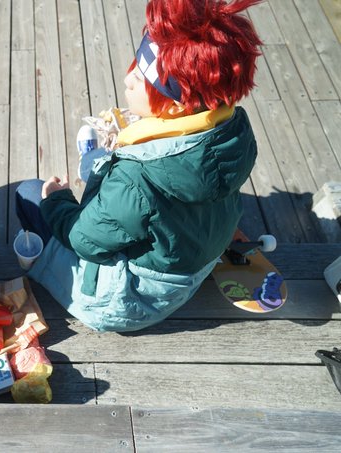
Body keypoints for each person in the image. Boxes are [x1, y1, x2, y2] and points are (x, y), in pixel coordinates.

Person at [15, 0, 262, 332]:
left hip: (128, 301)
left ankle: (42, 253)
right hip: (191, 263)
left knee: (29, 194)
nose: (128, 78)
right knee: (98, 167)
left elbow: (83, 240)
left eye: (142, 77)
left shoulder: (136, 179)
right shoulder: (233, 130)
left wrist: (56, 200)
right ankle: (93, 162)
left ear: (175, 108)